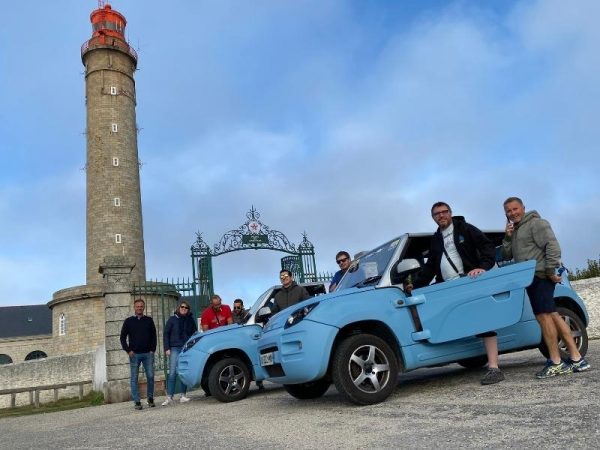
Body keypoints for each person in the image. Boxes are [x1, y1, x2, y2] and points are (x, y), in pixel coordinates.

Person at [410, 201, 503, 385]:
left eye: (444, 212)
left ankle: (494, 368)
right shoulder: (436, 239)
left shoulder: (465, 229)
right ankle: (458, 361)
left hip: (470, 282)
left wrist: (482, 267)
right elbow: (430, 267)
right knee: (453, 321)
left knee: (484, 321)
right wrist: (416, 286)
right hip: (450, 288)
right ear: (433, 217)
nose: (441, 216)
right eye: (437, 214)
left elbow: (487, 246)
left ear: (450, 213)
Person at [502, 196, 590, 378]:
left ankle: (556, 362)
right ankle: (576, 358)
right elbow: (506, 254)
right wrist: (508, 237)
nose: (512, 213)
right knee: (552, 315)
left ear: (523, 208)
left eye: (515, 209)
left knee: (544, 317)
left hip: (540, 276)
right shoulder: (516, 230)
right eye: (508, 211)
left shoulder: (537, 224)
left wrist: (550, 271)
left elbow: (553, 247)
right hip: (532, 278)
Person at [120, 298, 157, 410]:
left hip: (147, 354)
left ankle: (150, 399)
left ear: (144, 308)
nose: (139, 308)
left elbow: (154, 336)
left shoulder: (149, 320)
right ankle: (137, 401)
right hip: (134, 355)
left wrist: (152, 350)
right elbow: (122, 338)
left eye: (141, 306)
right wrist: (128, 350)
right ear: (134, 307)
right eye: (137, 306)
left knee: (150, 376)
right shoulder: (128, 321)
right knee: (134, 378)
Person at [162, 301, 198, 406]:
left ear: (188, 310)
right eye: (182, 307)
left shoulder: (190, 320)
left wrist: (192, 347)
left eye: (186, 307)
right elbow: (166, 334)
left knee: (183, 372)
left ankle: (183, 395)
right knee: (172, 373)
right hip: (174, 348)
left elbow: (194, 334)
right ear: (179, 308)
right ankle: (169, 397)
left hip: (186, 348)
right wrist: (166, 348)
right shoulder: (172, 319)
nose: (184, 308)